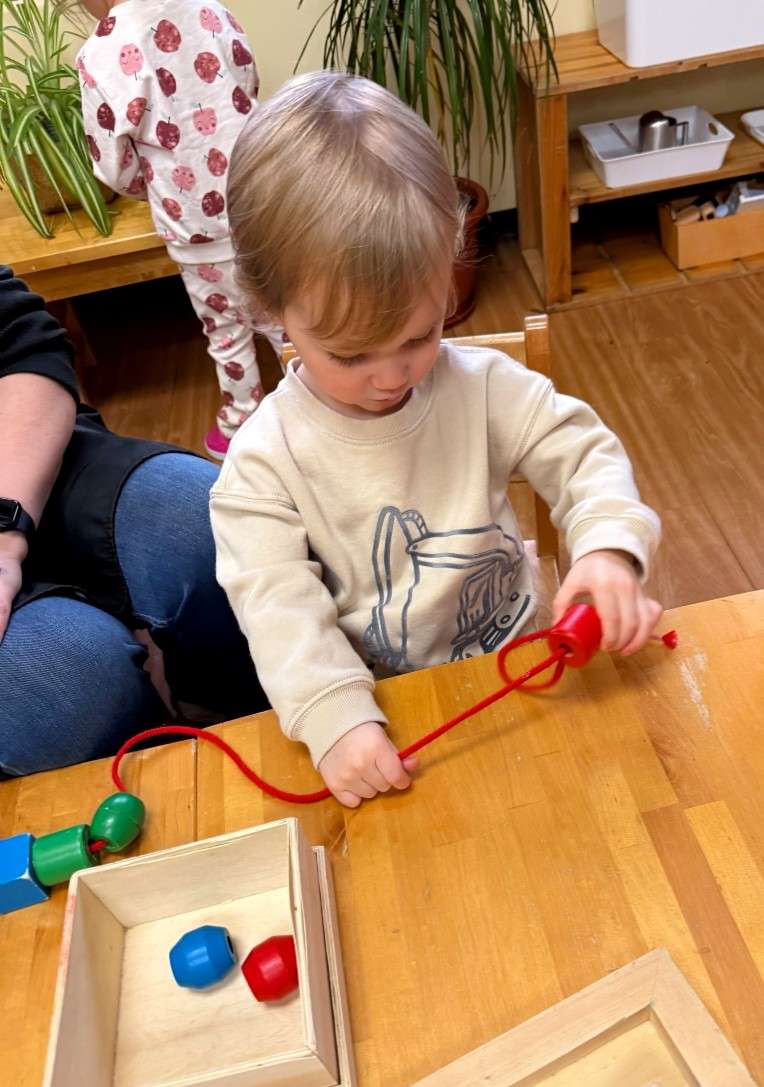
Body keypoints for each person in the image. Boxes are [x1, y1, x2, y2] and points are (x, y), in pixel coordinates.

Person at [210, 72, 663, 810]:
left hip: (525, 673)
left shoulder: (481, 388)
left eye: (420, 336)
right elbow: (278, 609)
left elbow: (584, 455)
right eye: (350, 354)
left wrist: (609, 549)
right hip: (391, 719)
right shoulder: (263, 465)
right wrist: (335, 717)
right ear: (270, 309)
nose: (392, 376)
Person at [0, 266, 266, 777]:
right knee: (68, 675)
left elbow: (22, 341)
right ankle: (161, 774)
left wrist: (4, 533)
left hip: (16, 457)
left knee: (204, 521)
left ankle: (236, 711)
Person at [73, 0, 283, 459]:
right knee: (287, 310)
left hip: (193, 222)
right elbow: (247, 81)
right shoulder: (206, 8)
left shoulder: (100, 53)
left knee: (224, 326)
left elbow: (113, 167)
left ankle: (242, 419)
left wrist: (152, 188)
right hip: (261, 195)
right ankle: (320, 399)